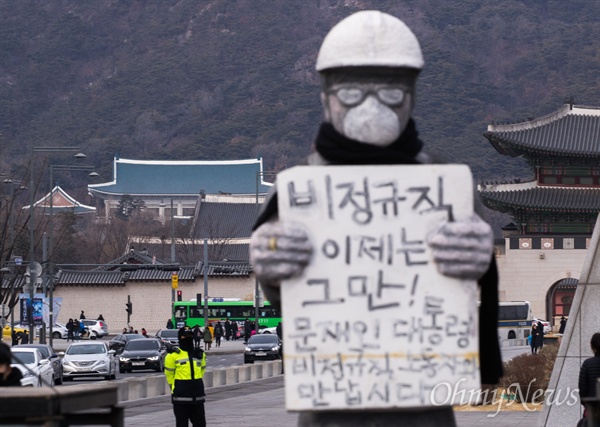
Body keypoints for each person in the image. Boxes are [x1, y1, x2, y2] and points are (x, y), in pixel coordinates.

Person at [249, 10, 502, 426]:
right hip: (332, 403)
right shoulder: (300, 190)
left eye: (390, 92)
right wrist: (270, 266)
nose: (371, 105)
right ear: (326, 98)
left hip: (423, 402)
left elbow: (473, 280)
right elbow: (286, 294)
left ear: (411, 96)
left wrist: (478, 254)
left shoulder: (444, 185)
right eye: (351, 92)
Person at [165, 327, 207, 427]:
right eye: (185, 336)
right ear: (180, 337)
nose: (188, 338)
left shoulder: (199, 354)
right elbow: (169, 374)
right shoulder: (172, 355)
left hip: (197, 396)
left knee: (201, 424)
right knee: (182, 424)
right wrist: (174, 387)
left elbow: (202, 369)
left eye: (190, 336)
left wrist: (196, 382)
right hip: (181, 397)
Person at [578, 332, 600, 427]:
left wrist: (586, 403)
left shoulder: (587, 364)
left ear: (592, 347)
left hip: (592, 409)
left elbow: (582, 388)